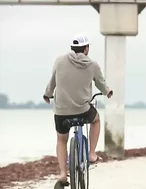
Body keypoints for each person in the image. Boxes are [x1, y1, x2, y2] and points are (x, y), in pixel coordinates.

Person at [43, 34, 113, 185]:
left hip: (62, 112)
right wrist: (107, 92)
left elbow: (53, 81)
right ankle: (92, 154)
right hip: (83, 111)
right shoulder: (92, 65)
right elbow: (101, 83)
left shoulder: (60, 60)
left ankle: (62, 173)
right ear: (86, 48)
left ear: (72, 48)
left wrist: (47, 94)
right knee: (96, 120)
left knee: (61, 140)